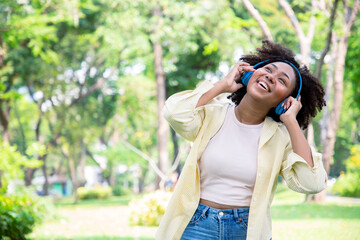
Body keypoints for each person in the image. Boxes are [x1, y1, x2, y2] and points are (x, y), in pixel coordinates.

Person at [156, 40, 328, 240]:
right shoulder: (212, 115)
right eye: (268, 70)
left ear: (287, 100)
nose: (271, 77)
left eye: (282, 81)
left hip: (247, 230)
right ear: (248, 73)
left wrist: (291, 121)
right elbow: (173, 112)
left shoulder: (281, 137)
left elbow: (313, 183)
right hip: (197, 225)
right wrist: (222, 86)